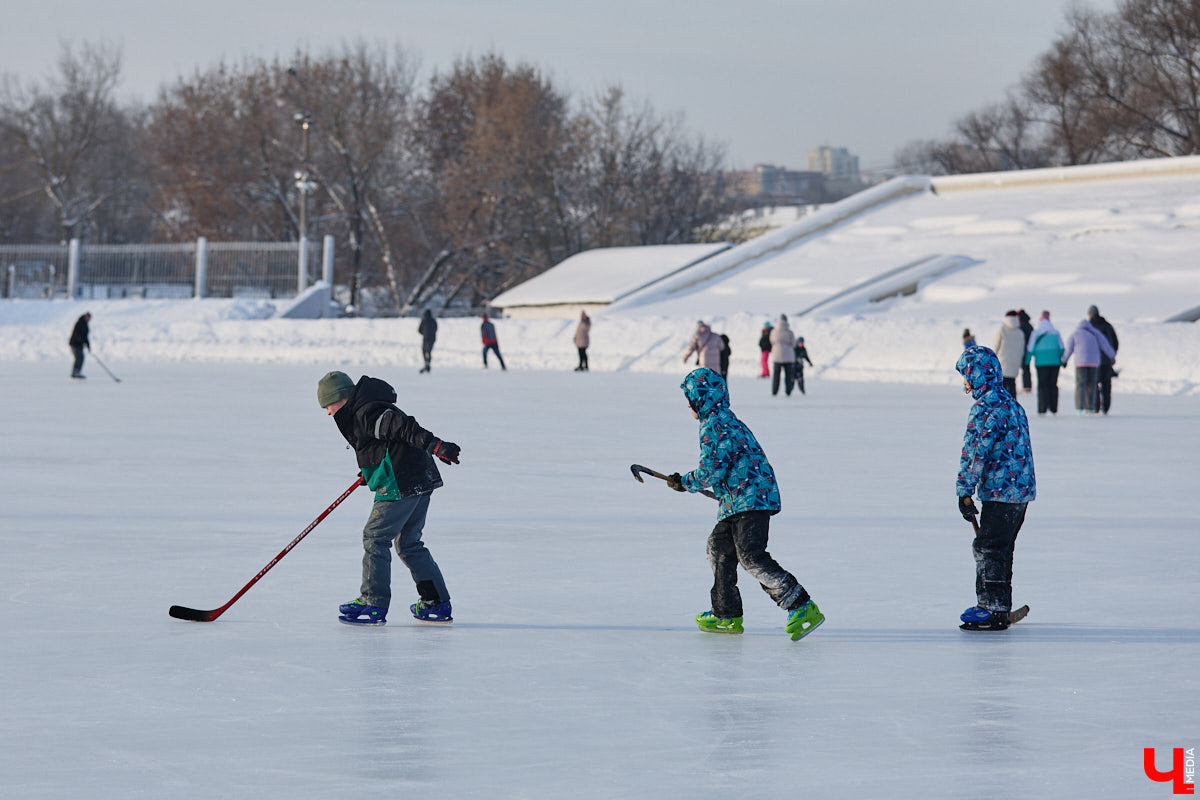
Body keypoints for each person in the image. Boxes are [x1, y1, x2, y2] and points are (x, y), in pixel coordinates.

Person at [666, 367, 824, 641]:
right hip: (737, 502)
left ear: (700, 400)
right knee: (719, 549)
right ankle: (726, 614)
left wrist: (684, 482)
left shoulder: (715, 424)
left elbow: (711, 471)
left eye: (690, 401)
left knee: (751, 556)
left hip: (751, 500)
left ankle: (801, 606)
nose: (689, 407)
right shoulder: (725, 419)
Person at [319, 371, 461, 626]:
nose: (328, 413)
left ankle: (373, 600)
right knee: (409, 544)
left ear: (339, 398)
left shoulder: (367, 412)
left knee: (375, 537)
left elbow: (402, 428)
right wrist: (370, 470)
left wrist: (435, 444)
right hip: (419, 479)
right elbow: (380, 445)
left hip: (400, 484)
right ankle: (436, 602)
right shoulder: (363, 410)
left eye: (327, 405)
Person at [955, 346, 1036, 631]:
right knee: (1002, 549)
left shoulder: (985, 409)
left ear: (977, 375)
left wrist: (964, 491)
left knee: (988, 548)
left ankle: (990, 607)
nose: (964, 382)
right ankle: (1000, 604)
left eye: (966, 375)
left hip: (1000, 492)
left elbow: (975, 454)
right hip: (1021, 493)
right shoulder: (1012, 404)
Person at [1062, 315, 1115, 415]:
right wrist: (1112, 356)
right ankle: (1090, 407)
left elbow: (1069, 348)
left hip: (1080, 363)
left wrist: (1064, 360)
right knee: (1092, 385)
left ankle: (1079, 408)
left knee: (1080, 385)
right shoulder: (1095, 333)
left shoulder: (1075, 334)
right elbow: (1105, 345)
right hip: (1094, 363)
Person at [1026, 311, 1064, 415]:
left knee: (1042, 385)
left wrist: (1027, 361)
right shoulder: (1056, 332)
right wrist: (1062, 359)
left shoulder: (1036, 333)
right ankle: (1053, 408)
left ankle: (1042, 408)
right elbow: (1062, 348)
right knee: (1053, 384)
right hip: (1055, 362)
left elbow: (1030, 348)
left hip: (1041, 362)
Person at [1088, 305, 1119, 415]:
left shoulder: (1090, 327)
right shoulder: (1108, 326)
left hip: (1094, 361)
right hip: (1107, 361)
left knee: (1094, 384)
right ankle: (1106, 407)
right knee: (1106, 385)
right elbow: (1115, 343)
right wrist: (1112, 355)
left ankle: (1096, 407)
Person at [992, 310, 1025, 397]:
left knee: (1001, 386)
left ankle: (1002, 406)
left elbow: (996, 346)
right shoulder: (1020, 333)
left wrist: (992, 359)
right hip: (1014, 363)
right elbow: (1022, 349)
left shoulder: (1002, 330)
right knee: (1012, 385)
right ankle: (1013, 406)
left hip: (1002, 362)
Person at [769, 314, 797, 397]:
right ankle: (788, 391)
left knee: (776, 375)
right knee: (788, 375)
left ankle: (774, 391)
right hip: (788, 355)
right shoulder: (789, 332)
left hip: (777, 355)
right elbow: (793, 343)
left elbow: (772, 341)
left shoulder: (774, 331)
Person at [69, 311, 91, 379]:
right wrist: (80, 340)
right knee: (79, 357)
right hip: (74, 344)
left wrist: (88, 345)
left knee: (81, 358)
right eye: (87, 318)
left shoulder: (86, 326)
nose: (88, 319)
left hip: (79, 345)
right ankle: (75, 372)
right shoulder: (79, 323)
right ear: (85, 317)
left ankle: (77, 372)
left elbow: (85, 337)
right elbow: (76, 334)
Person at [1017, 309, 1034, 394]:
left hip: (1022, 349)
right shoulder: (1029, 326)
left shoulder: (1021, 326)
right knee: (1027, 367)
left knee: (1024, 368)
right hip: (1029, 349)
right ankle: (1028, 386)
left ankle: (1026, 386)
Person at [418, 309, 437, 374]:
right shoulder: (433, 321)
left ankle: (426, 364)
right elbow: (436, 328)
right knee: (429, 352)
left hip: (425, 339)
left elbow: (419, 330)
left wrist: (424, 333)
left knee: (424, 351)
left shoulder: (424, 321)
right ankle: (427, 364)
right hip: (432, 339)